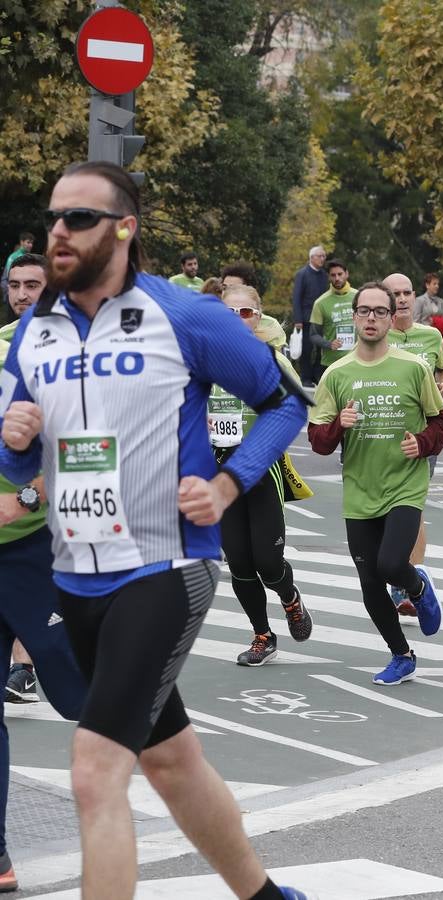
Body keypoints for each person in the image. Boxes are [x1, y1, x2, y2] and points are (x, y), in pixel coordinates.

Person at [0, 161, 310, 898]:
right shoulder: (32, 335)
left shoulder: (184, 315)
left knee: (93, 770)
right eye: (53, 219)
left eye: (78, 219)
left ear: (124, 229)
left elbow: (288, 403)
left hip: (166, 567)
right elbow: (18, 468)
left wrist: (231, 482)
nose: (59, 233)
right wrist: (15, 442)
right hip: (72, 577)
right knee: (169, 760)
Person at [308, 283, 443, 684]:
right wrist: (339, 425)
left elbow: (441, 421)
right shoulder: (337, 374)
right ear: (353, 316)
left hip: (404, 484)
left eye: (380, 312)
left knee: (390, 565)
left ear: (392, 318)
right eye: (364, 311)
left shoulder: (412, 368)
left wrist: (421, 444)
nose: (371, 318)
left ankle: (417, 587)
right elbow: (318, 441)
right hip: (360, 488)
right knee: (370, 583)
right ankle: (402, 656)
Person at [0, 331, 86, 891]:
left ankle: (168, 767)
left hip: (37, 555)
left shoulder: (32, 375)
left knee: (86, 692)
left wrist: (23, 499)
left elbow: (90, 449)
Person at [213, 285, 314, 665]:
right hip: (220, 479)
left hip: (261, 474)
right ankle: (262, 635)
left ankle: (290, 599)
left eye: (245, 313)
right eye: (229, 313)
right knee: (239, 563)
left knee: (268, 565)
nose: (237, 320)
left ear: (258, 317)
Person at [384, 273, 443, 615]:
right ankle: (395, 574)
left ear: (415, 296)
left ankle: (409, 585)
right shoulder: (376, 336)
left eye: (406, 292)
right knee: (385, 510)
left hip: (424, 435)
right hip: (382, 436)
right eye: (394, 293)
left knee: (414, 507)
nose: (401, 299)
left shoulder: (430, 335)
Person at [308, 258, 358, 378]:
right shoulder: (320, 303)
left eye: (340, 274)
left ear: (346, 274)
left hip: (357, 359)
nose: (337, 278)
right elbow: (313, 335)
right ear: (329, 277)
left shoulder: (359, 296)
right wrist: (329, 344)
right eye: (333, 275)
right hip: (331, 363)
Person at [219, 262, 286, 352]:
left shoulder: (270, 324)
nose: (227, 292)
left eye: (234, 288)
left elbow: (275, 361)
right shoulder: (212, 320)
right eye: (224, 288)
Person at [290, 245, 328, 386]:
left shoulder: (324, 275)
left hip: (321, 319)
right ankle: (305, 377)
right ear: (311, 258)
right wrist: (298, 319)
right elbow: (296, 298)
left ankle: (316, 376)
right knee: (306, 349)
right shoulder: (302, 274)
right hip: (306, 318)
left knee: (321, 349)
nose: (322, 259)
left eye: (324, 256)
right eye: (319, 256)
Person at [0, 253, 46, 341]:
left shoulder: (71, 337)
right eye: (14, 286)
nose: (21, 296)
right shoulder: (3, 336)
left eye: (31, 286)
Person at [1, 233, 33, 308]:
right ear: (22, 242)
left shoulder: (26, 256)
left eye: (32, 243)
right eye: (28, 242)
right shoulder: (16, 256)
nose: (31, 245)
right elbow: (11, 277)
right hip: (13, 293)